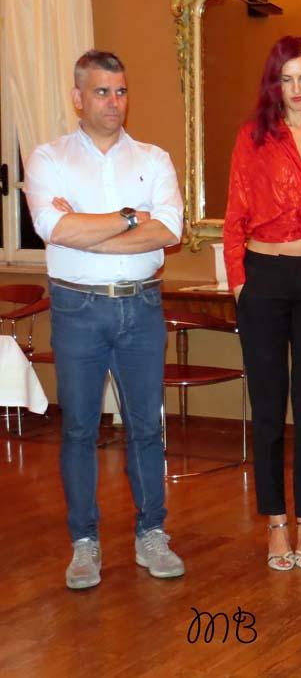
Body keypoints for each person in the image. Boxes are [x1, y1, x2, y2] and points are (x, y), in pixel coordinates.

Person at [24, 50, 186, 589]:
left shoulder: (154, 158)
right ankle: (84, 543)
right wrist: (130, 217)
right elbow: (54, 229)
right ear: (78, 97)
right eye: (101, 92)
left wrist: (86, 228)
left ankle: (151, 533)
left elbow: (169, 230)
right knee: (78, 428)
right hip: (77, 308)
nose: (114, 102)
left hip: (141, 306)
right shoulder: (48, 159)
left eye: (120, 91)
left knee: (146, 427)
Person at [223, 36, 301, 572]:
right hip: (262, 277)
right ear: (275, 85)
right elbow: (234, 217)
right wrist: (239, 284)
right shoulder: (252, 138)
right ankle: (276, 521)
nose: (295, 89)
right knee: (269, 406)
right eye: (286, 79)